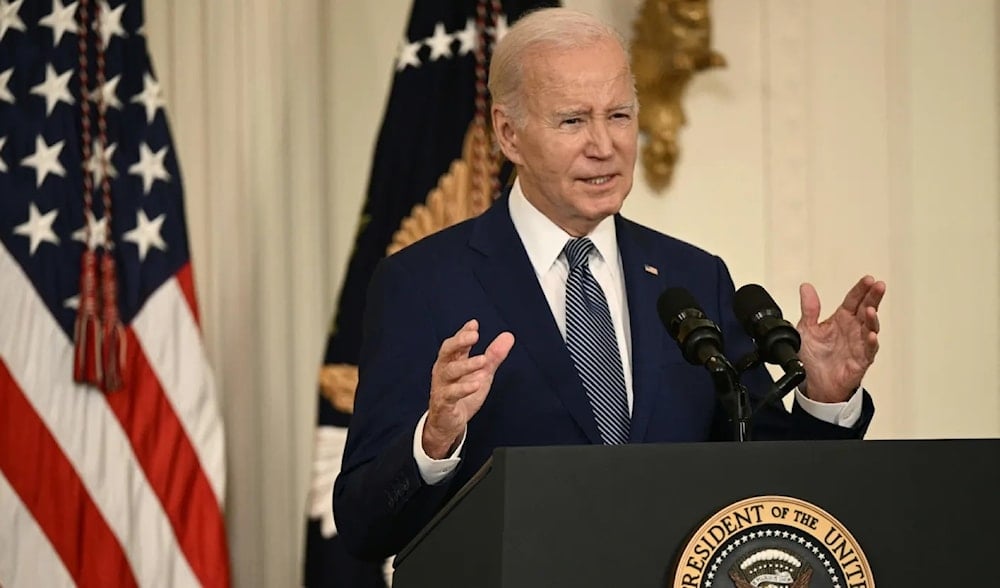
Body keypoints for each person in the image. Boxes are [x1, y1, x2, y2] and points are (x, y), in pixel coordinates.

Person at [333, 7, 885, 561]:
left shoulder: (693, 277)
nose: (604, 145)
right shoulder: (423, 283)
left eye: (619, 115)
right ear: (509, 134)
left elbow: (768, 488)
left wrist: (826, 398)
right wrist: (434, 441)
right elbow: (363, 523)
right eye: (573, 121)